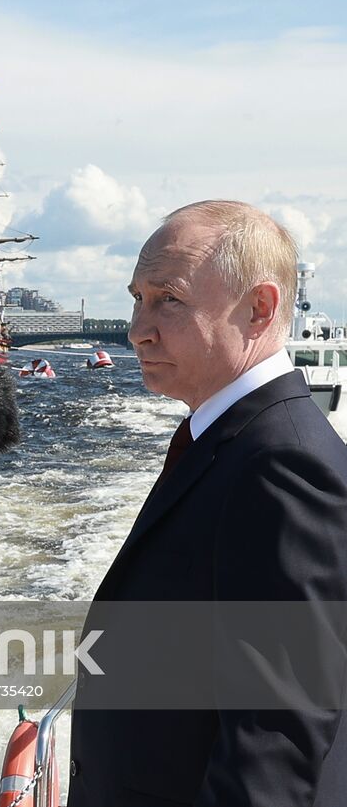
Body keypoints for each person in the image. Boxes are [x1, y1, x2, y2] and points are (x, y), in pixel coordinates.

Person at [69, 201, 347, 807]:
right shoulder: (227, 443)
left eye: (168, 299)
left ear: (260, 308)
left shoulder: (283, 467)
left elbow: (275, 741)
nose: (137, 328)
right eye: (137, 298)